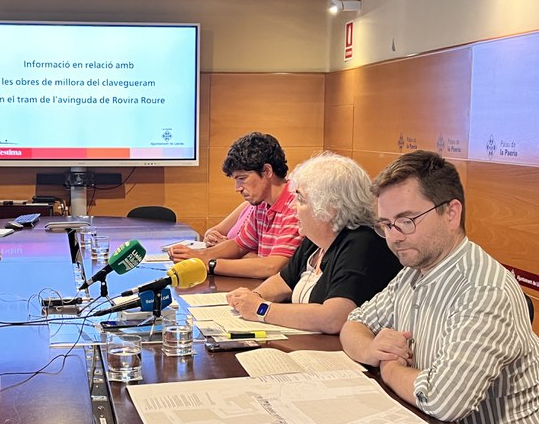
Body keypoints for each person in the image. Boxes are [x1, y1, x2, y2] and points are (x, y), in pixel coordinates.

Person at [340, 150, 539, 424]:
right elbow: (354, 323)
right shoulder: (415, 270)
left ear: (451, 212)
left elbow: (444, 400)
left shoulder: (483, 290)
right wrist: (372, 350)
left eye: (406, 221)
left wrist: (389, 367)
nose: (394, 237)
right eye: (386, 224)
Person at [227, 153, 401, 333]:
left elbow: (333, 318)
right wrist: (253, 297)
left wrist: (261, 309)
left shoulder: (362, 243)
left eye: (301, 199)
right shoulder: (316, 239)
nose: (294, 206)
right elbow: (283, 281)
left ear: (329, 207)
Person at [169, 132, 302, 279]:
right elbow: (239, 245)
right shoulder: (262, 204)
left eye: (242, 178)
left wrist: (209, 264)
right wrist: (196, 255)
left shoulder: (296, 204)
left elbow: (272, 267)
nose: (237, 188)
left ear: (267, 171)